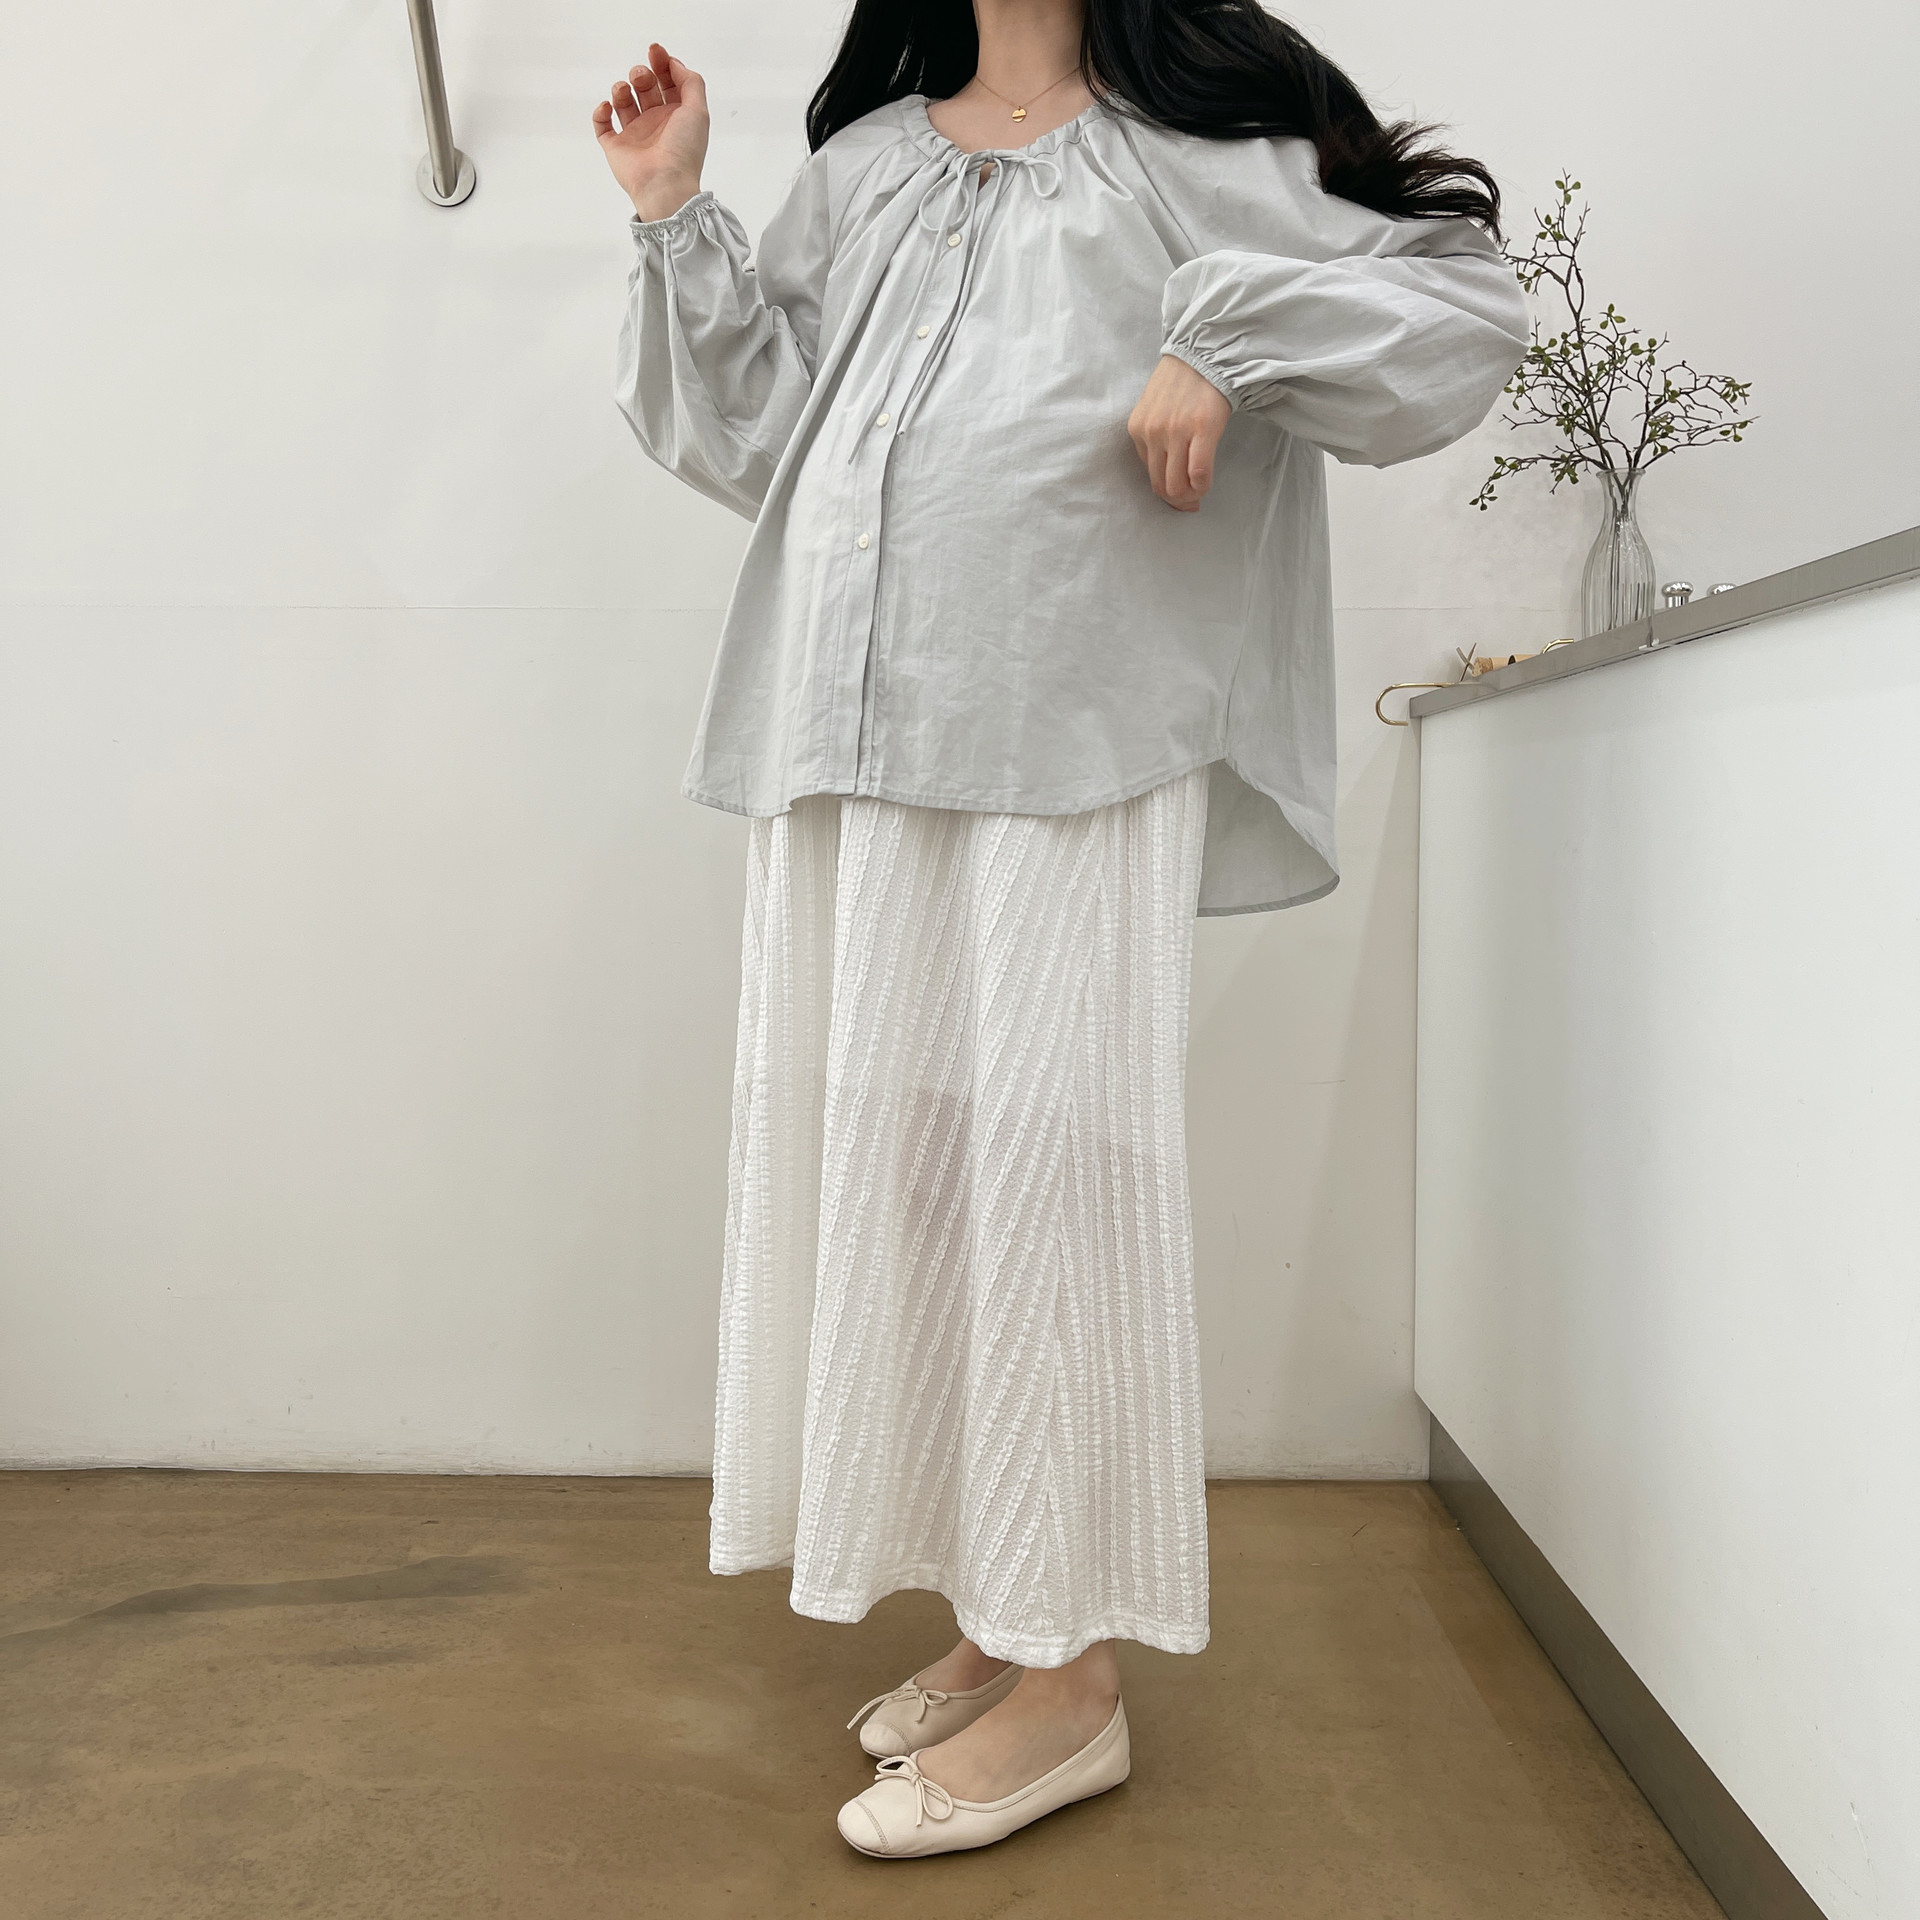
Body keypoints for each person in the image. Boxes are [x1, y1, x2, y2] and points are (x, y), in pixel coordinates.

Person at [593, 0, 1526, 1859]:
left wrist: (1222, 343)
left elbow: (1459, 310)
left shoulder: (1203, 152)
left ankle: (1075, 1684)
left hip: (1075, 733)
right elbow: (760, 433)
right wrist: (675, 210)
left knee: (1048, 1183)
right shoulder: (870, 167)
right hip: (852, 737)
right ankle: (1006, 1610)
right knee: (921, 1175)